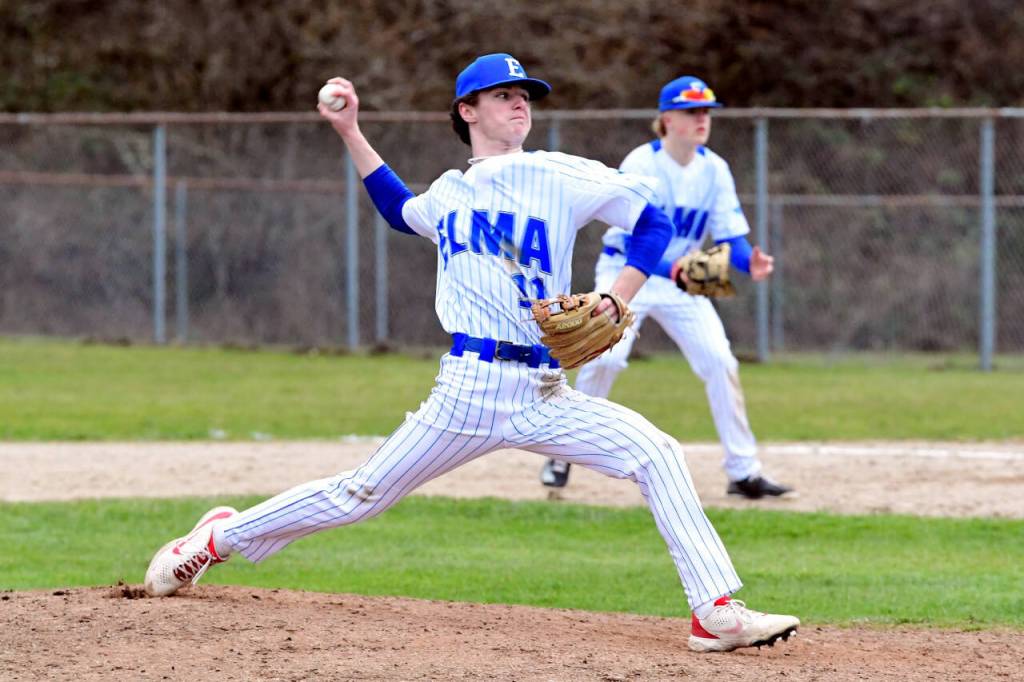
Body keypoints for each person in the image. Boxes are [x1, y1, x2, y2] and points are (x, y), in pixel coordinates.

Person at [143, 54, 799, 653]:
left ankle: (713, 611)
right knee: (358, 495)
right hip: (467, 387)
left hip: (543, 391)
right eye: (504, 95)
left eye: (525, 96)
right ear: (467, 110)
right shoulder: (451, 191)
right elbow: (400, 211)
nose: (520, 105)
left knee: (656, 452)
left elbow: (653, 222)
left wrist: (617, 298)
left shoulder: (560, 174)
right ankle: (213, 541)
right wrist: (350, 131)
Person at [540, 76, 795, 500]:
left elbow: (730, 237)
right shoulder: (641, 163)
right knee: (607, 360)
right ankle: (562, 452)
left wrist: (748, 260)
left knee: (720, 361)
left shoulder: (714, 168)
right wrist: (674, 267)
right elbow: (626, 241)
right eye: (691, 111)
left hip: (682, 282)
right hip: (629, 274)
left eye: (706, 112)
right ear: (666, 119)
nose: (702, 120)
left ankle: (743, 472)